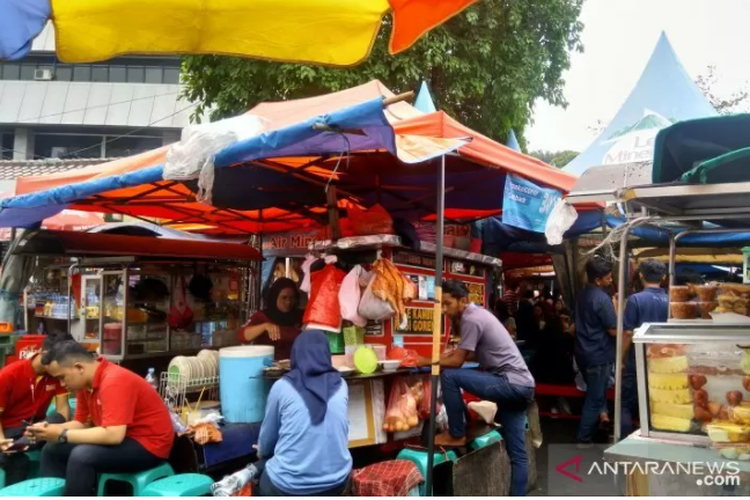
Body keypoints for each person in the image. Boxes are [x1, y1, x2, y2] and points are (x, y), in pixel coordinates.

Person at [421, 280, 534, 496]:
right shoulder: (479, 314)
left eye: (447, 304)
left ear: (463, 301)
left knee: (450, 377)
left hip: (510, 383)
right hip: (523, 386)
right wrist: (447, 356)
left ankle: (456, 433)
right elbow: (472, 354)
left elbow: (457, 363)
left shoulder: (472, 318)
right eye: (442, 305)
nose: (444, 310)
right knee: (517, 454)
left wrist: (423, 360)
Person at [31, 341, 174, 496]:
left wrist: (62, 434)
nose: (62, 384)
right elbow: (81, 423)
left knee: (82, 456)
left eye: (62, 377)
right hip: (123, 438)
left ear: (79, 368)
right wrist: (50, 431)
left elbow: (114, 435)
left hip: (149, 445)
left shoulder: (114, 381)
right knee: (52, 449)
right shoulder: (85, 384)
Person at [255, 330, 351, 496]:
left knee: (262, 479)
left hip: (288, 486)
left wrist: (261, 451)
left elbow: (267, 440)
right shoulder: (341, 385)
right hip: (338, 481)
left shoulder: (282, 386)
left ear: (295, 354)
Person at [0, 332, 73, 485]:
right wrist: (1, 440)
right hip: (8, 430)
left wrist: (54, 428)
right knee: (17, 461)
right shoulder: (9, 374)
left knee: (61, 433)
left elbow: (63, 409)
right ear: (44, 354)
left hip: (37, 427)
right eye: (60, 360)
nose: (63, 365)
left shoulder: (57, 375)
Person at [621, 260, 668, 439]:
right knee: (654, 402)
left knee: (625, 404)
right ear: (663, 277)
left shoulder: (635, 300)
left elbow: (627, 334)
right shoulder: (670, 300)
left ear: (641, 276)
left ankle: (624, 443)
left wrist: (621, 360)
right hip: (663, 362)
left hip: (637, 360)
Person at [575, 256, 617, 447]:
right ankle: (583, 438)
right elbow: (613, 330)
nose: (611, 280)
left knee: (595, 393)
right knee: (595, 397)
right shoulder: (602, 299)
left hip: (582, 353)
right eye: (608, 277)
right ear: (598, 279)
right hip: (598, 355)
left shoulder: (582, 294)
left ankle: (604, 419)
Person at [238, 278, 302, 360]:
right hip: (268, 365)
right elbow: (242, 336)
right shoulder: (262, 316)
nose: (288, 302)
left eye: (292, 298)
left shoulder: (300, 316)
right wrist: (264, 326)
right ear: (274, 297)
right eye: (284, 298)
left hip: (295, 365)